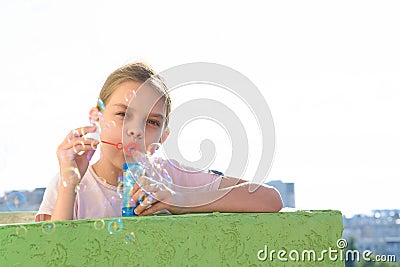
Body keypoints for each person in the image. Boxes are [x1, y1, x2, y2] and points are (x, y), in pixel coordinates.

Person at [35, 62, 283, 221]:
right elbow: (55, 253)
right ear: (97, 118)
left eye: (152, 122)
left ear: (163, 138)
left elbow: (269, 199)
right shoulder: (67, 182)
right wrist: (69, 185)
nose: (136, 131)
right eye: (123, 114)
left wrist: (180, 200)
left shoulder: (173, 176)